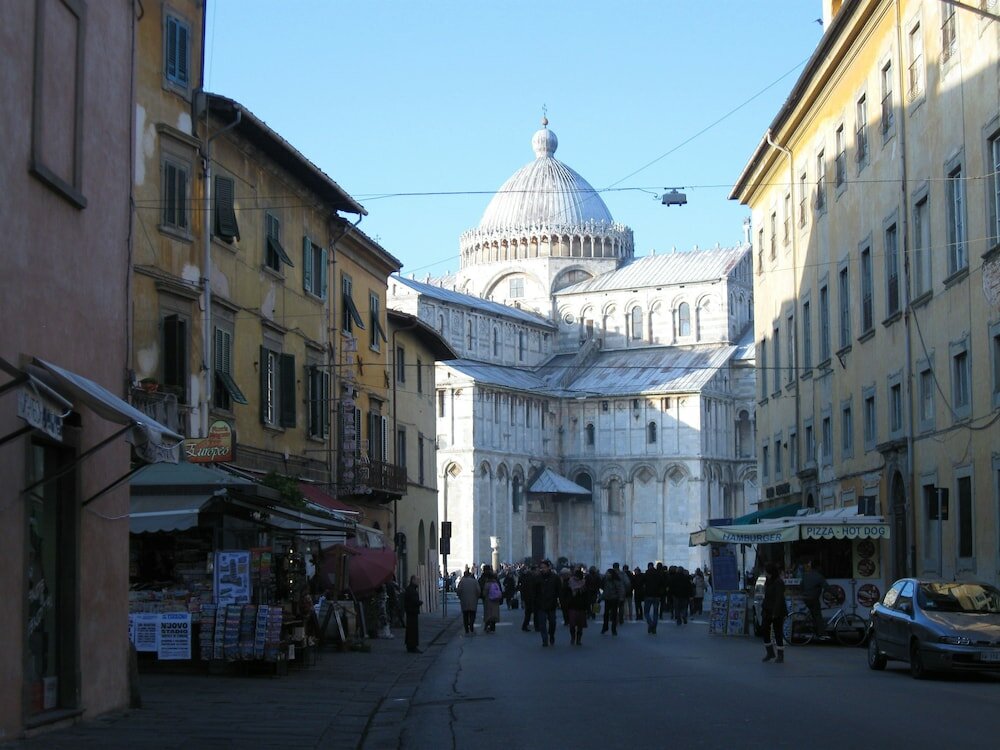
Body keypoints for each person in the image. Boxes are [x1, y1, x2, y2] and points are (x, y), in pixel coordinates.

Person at [761, 562, 788, 663]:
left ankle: (780, 654)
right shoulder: (768, 581)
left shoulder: (778, 582)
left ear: (770, 572)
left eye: (766, 571)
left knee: (778, 632)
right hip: (767, 610)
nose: (765, 573)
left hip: (777, 611)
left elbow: (779, 599)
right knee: (764, 629)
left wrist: (775, 613)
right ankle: (770, 652)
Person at [533, 559, 562, 647]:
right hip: (540, 604)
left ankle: (551, 634)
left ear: (549, 567)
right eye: (541, 568)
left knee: (552, 622)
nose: (543, 569)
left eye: (544, 567)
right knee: (542, 623)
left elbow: (559, 590)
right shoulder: (537, 578)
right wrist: (535, 602)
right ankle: (544, 639)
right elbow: (534, 591)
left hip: (551, 603)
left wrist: (558, 600)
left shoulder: (555, 577)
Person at [800, 559, 829, 639]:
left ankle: (817, 632)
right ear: (818, 567)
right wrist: (837, 594)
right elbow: (827, 587)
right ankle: (821, 633)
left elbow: (801, 585)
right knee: (818, 615)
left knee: (814, 614)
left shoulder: (805, 575)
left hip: (805, 598)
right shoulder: (819, 576)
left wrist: (803, 593)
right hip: (813, 598)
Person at [566, 568, 590, 645]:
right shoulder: (570, 583)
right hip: (572, 606)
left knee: (580, 625)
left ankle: (578, 639)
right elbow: (566, 594)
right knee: (572, 624)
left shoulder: (584, 584)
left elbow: (586, 597)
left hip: (581, 607)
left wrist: (587, 607)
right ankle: (573, 637)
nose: (576, 578)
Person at [600, 567, 625, 636]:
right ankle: (605, 627)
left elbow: (620, 590)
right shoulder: (606, 581)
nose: (607, 574)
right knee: (606, 614)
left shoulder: (616, 581)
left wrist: (621, 598)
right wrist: (601, 598)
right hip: (608, 599)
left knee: (613, 615)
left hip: (614, 599)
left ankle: (613, 629)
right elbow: (605, 591)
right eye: (607, 573)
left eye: (608, 573)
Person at [457, 569, 481, 635]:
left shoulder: (462, 581)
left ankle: (466, 629)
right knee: (472, 614)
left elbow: (458, 590)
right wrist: (477, 597)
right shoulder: (474, 581)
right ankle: (471, 626)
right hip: (473, 600)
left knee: (465, 615)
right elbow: (478, 591)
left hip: (464, 600)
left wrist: (460, 596)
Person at [404, 575, 423, 653]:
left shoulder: (410, 589)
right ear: (413, 580)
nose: (419, 582)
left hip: (411, 611)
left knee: (411, 630)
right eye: (417, 580)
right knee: (413, 630)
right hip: (412, 612)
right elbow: (413, 601)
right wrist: (420, 602)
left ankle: (410, 645)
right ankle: (412, 646)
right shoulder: (411, 590)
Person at [481, 565, 502, 633]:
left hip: (487, 600)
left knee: (488, 613)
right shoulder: (496, 580)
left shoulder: (484, 579)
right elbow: (499, 589)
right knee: (494, 613)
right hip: (495, 599)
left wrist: (482, 596)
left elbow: (483, 592)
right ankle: (493, 627)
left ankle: (487, 625)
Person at [643, 562, 662, 633]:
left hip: (648, 595)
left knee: (646, 612)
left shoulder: (646, 573)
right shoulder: (658, 573)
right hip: (656, 595)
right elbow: (661, 583)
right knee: (655, 613)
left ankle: (650, 624)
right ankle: (654, 627)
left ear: (648, 566)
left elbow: (643, 584)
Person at [518, 564, 537, 631]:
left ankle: (525, 626)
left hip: (528, 597)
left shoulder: (527, 576)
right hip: (531, 597)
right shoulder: (532, 577)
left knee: (529, 613)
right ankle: (535, 626)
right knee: (534, 612)